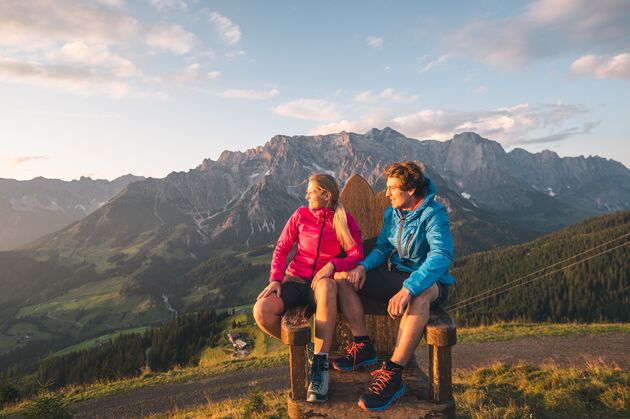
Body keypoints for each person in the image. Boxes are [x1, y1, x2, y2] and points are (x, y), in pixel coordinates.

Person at [333, 161, 454, 412]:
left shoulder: (433, 214)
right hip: (398, 278)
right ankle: (363, 346)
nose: (386, 193)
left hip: (430, 282)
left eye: (392, 188)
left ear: (410, 190)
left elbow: (441, 256)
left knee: (419, 296)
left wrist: (409, 288)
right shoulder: (393, 213)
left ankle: (394, 373)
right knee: (343, 280)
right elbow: (382, 248)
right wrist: (362, 268)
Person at [253, 174, 363, 403]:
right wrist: (275, 279)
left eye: (311, 191)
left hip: (321, 284)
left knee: (325, 287)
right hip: (294, 279)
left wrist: (333, 265)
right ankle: (309, 351)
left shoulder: (344, 220)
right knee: (261, 311)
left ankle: (320, 366)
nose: (307, 196)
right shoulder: (301, 215)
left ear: (326, 195)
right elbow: (282, 247)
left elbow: (356, 254)